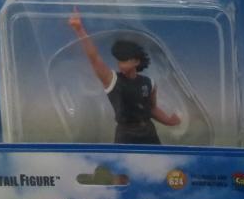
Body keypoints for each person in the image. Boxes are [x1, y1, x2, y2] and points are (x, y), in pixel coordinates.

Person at [67, 9, 181, 144]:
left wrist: (169, 120)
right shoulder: (113, 80)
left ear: (136, 61)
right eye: (119, 60)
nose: (121, 64)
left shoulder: (149, 83)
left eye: (125, 60)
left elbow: (151, 108)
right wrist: (79, 30)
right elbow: (94, 58)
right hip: (126, 133)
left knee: (154, 156)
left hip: (148, 131)